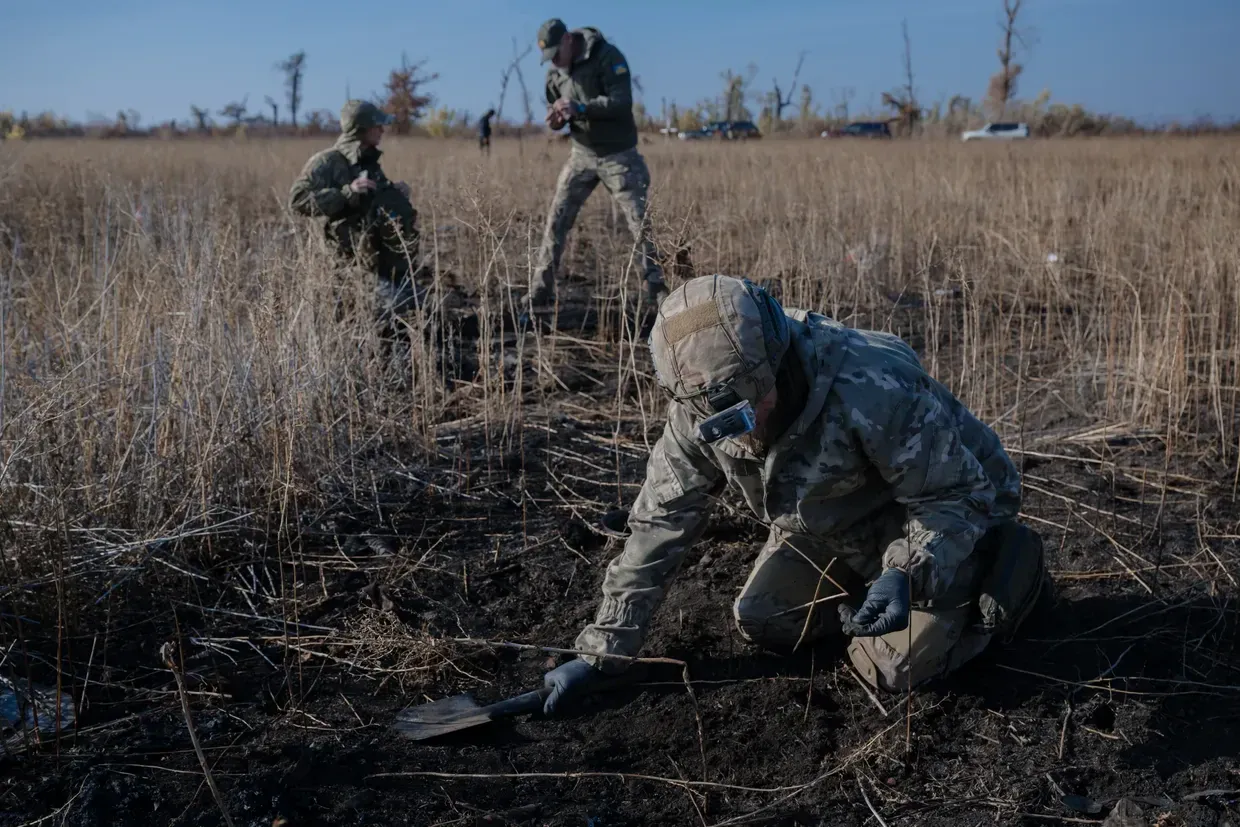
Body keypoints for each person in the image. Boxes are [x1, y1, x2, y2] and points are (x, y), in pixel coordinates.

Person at [541, 275, 1051, 712]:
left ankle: (1008, 572)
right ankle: (879, 595)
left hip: (944, 515)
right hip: (832, 523)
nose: (739, 432)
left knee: (893, 667)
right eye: (719, 421)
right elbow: (659, 525)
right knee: (764, 619)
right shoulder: (699, 410)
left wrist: (904, 572)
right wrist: (602, 654)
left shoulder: (871, 387)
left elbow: (957, 495)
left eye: (746, 410)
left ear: (774, 366)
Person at [529, 18, 668, 312]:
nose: (554, 61)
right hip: (581, 155)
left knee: (639, 222)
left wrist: (581, 107)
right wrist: (556, 121)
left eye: (556, 53)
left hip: (619, 156)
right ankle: (540, 289)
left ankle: (657, 289)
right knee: (556, 218)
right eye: (548, 57)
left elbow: (621, 102)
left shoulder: (607, 56)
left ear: (568, 40)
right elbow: (558, 115)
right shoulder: (554, 76)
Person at [289, 99, 424, 324]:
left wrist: (394, 191)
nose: (382, 130)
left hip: (380, 261)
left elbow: (372, 203)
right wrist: (346, 193)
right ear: (362, 129)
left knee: (422, 303)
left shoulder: (368, 160)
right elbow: (298, 200)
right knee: (396, 306)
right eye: (377, 126)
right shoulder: (327, 161)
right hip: (348, 266)